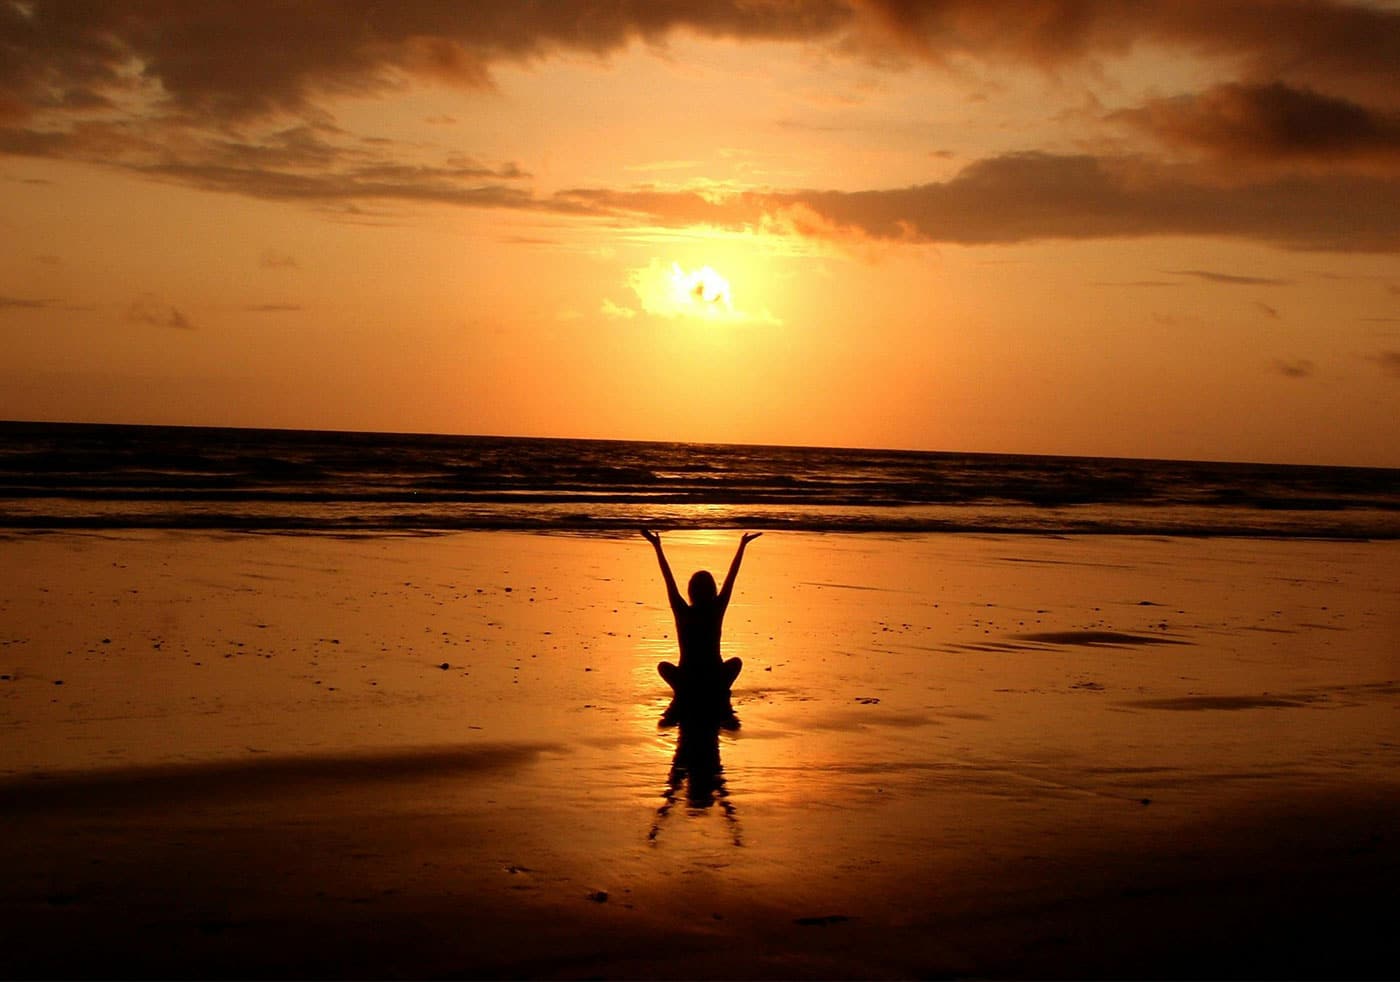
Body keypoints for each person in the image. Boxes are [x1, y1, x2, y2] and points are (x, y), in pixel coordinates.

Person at [641, 529, 761, 712]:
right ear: (712, 589)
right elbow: (731, 578)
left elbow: (668, 579)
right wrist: (742, 546)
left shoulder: (683, 611)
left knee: (663, 667)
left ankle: (690, 691)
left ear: (691, 591)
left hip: (688, 679)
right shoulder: (716, 609)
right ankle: (713, 691)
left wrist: (657, 546)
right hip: (714, 678)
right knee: (736, 662)